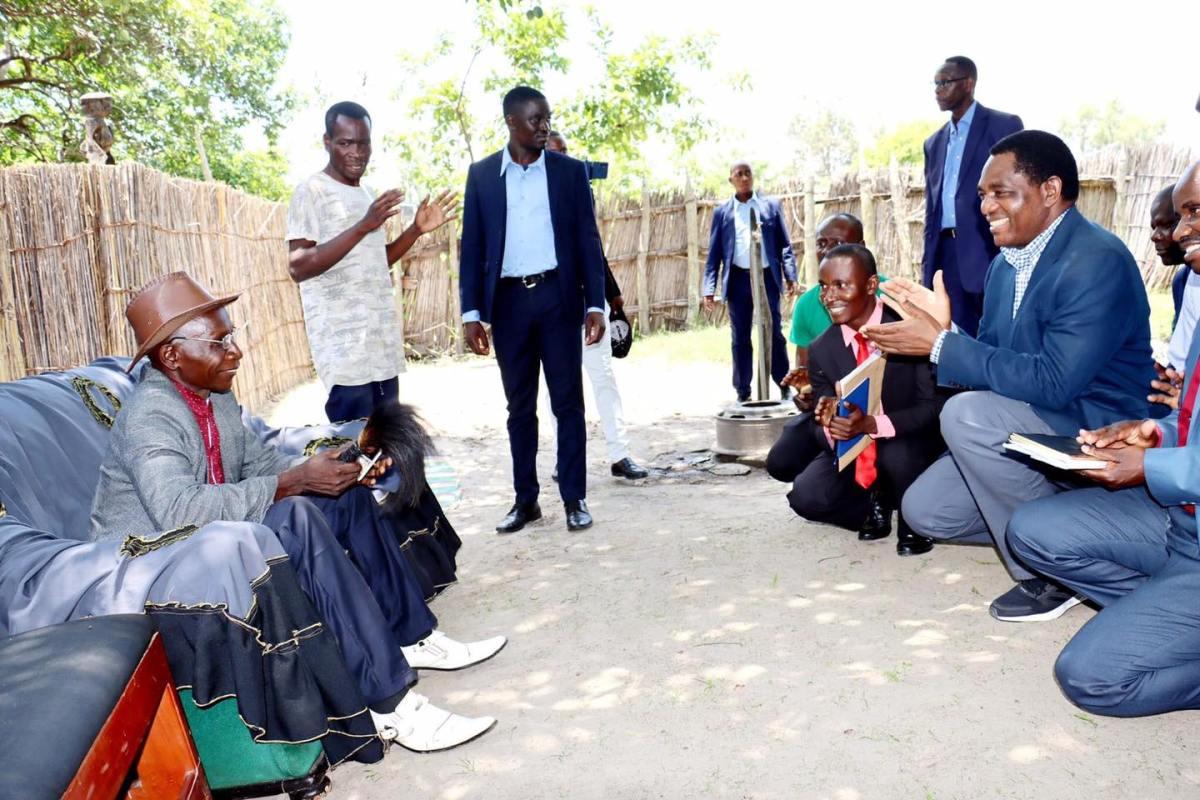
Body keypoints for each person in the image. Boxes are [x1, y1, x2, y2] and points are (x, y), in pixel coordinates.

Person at [91, 271, 505, 752]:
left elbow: (260, 462)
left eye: (233, 337)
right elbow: (177, 509)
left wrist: (332, 468)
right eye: (220, 342)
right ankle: (391, 707)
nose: (236, 352)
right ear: (172, 356)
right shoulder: (151, 416)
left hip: (215, 539)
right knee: (294, 516)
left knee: (339, 493)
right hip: (154, 566)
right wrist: (291, 482)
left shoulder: (215, 395)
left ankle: (412, 635)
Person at [864, 130, 1153, 621]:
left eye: (1002, 192)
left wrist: (940, 346)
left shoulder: (1095, 260)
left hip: (1095, 428)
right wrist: (945, 330)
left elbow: (1054, 382)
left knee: (967, 416)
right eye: (981, 195)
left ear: (1049, 190)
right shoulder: (1004, 269)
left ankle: (1049, 572)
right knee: (926, 512)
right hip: (1036, 422)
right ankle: (1077, 526)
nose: (986, 206)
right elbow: (993, 362)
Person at [1003, 160, 1200, 717]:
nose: (1180, 230)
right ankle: (1162, 616)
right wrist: (1154, 433)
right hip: (1180, 519)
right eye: (1181, 214)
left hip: (1182, 509)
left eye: (1195, 213)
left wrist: (1149, 467)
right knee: (1033, 531)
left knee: (1091, 678)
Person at [458, 87, 608, 533]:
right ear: (510, 121)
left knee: (568, 404)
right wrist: (471, 313)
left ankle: (574, 498)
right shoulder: (483, 175)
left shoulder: (568, 173)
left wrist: (595, 304)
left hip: (558, 300)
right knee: (519, 408)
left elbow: (588, 241)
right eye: (535, 120)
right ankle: (526, 501)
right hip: (508, 306)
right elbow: (474, 247)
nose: (544, 127)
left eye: (547, 119)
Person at [287, 101, 458, 422]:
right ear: (327, 142)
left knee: (386, 449)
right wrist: (364, 224)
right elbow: (298, 266)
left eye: (363, 142)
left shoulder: (366, 193)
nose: (356, 152)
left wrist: (416, 230)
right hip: (345, 355)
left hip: (380, 348)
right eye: (345, 143)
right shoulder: (312, 191)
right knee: (355, 452)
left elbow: (376, 261)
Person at [784, 244, 942, 556]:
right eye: (823, 286)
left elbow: (935, 408)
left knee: (896, 456)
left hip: (909, 437)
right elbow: (824, 417)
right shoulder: (822, 348)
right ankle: (874, 503)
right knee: (806, 496)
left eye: (841, 285)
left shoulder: (909, 330)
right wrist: (833, 425)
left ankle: (915, 517)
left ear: (871, 286)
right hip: (859, 450)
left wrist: (873, 423)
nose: (829, 297)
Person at [544, 130, 647, 480]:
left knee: (603, 378)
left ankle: (620, 455)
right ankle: (566, 459)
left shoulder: (578, 189)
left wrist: (611, 293)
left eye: (565, 151)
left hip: (588, 303)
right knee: (559, 387)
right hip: (550, 306)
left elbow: (592, 246)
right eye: (553, 151)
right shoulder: (528, 197)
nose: (562, 157)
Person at [922, 56, 1023, 335]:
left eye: (945, 82)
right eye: (935, 83)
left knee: (999, 333)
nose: (938, 90)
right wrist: (928, 266)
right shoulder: (933, 143)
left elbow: (1018, 189)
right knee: (951, 336)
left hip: (989, 247)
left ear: (968, 84)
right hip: (946, 254)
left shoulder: (1003, 126)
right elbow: (932, 210)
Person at [703, 161, 797, 402]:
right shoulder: (723, 212)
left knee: (774, 331)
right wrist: (709, 289)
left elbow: (784, 245)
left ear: (753, 177)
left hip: (767, 277)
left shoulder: (769, 206)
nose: (744, 178)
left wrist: (791, 277)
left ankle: (783, 383)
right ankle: (743, 391)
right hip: (738, 279)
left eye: (748, 174)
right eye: (739, 174)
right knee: (740, 336)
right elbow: (714, 254)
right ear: (731, 180)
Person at [1149, 184, 1194, 412]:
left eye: (1167, 225)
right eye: (1153, 227)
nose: (1155, 236)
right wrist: (1169, 372)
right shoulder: (1183, 281)